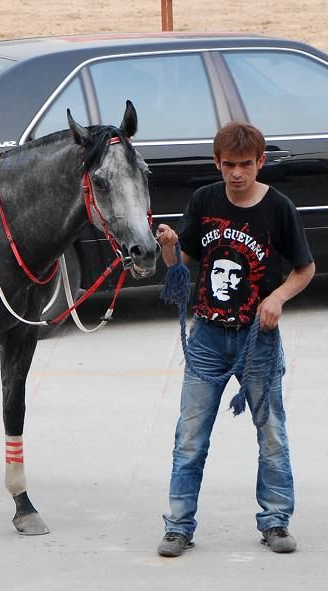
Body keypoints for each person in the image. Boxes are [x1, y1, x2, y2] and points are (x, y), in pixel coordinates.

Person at [155, 122, 315, 557]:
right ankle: (178, 525)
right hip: (207, 335)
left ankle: (276, 521)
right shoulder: (204, 200)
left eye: (246, 164)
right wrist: (170, 244)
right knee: (189, 437)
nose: (237, 173)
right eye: (229, 165)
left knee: (272, 435)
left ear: (260, 163)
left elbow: (305, 269)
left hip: (256, 340)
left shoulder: (278, 207)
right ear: (217, 164)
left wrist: (277, 298)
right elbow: (181, 263)